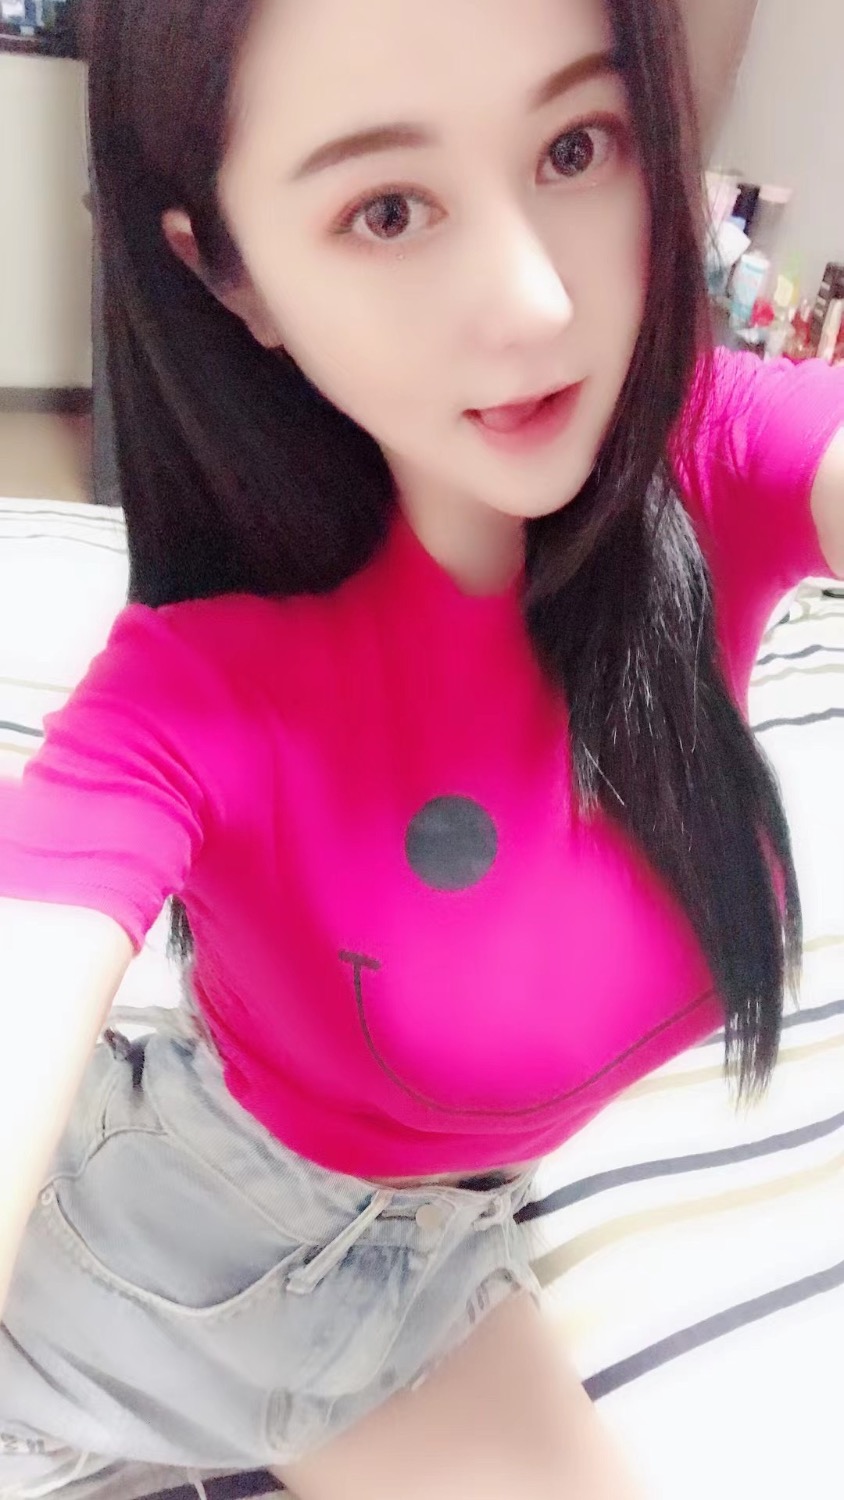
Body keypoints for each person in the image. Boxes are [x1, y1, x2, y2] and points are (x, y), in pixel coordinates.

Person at [1, 0, 842, 1496]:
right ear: (228, 272)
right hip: (158, 1248)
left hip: (422, 1274)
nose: (535, 302)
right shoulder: (197, 691)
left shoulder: (712, 462)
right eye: (387, 209)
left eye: (576, 147)